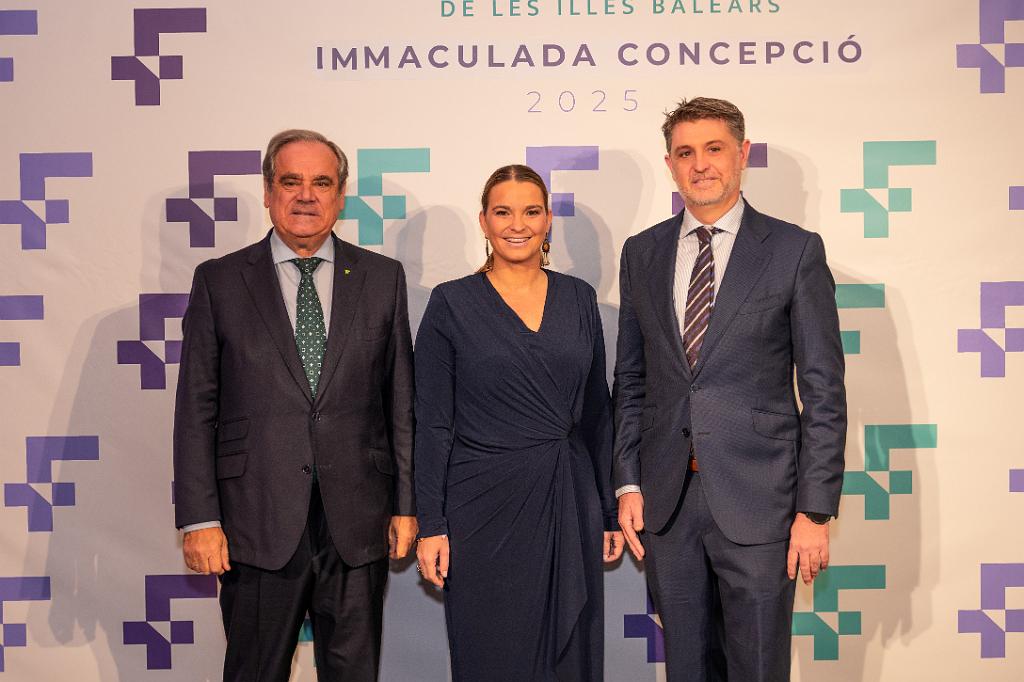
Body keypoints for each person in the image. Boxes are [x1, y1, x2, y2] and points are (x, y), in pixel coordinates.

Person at [613, 97, 847, 680]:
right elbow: (633, 379)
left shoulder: (794, 250)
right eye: (685, 152)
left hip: (762, 502)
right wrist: (628, 480)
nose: (700, 164)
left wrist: (814, 511)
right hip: (668, 504)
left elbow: (823, 390)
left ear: (742, 154)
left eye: (714, 149)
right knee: (686, 668)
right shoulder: (641, 253)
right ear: (670, 164)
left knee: (757, 667)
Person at [173, 129, 417, 681]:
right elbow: (195, 411)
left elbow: (399, 401)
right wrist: (200, 519)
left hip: (357, 522)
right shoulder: (219, 281)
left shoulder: (383, 279)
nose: (306, 195)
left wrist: (406, 504)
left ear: (341, 195)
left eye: (321, 183)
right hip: (254, 522)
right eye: (291, 181)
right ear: (268, 191)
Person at [414, 165, 624, 681]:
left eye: (531, 212)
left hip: (569, 499)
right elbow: (433, 424)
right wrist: (432, 525)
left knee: (570, 655)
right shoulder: (451, 302)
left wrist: (608, 511)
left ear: (548, 220)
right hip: (481, 510)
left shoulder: (579, 298)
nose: (517, 224)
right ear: (483, 221)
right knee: (492, 653)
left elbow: (597, 413)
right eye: (503, 212)